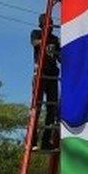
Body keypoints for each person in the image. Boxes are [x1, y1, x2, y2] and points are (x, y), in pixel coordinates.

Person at [30, 13, 61, 150]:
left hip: (52, 75)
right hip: (40, 75)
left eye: (52, 23)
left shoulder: (55, 39)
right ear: (42, 24)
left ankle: (46, 141)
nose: (51, 26)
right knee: (37, 107)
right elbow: (35, 43)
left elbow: (60, 58)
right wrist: (47, 41)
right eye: (48, 23)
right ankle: (33, 141)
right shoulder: (36, 34)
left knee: (52, 109)